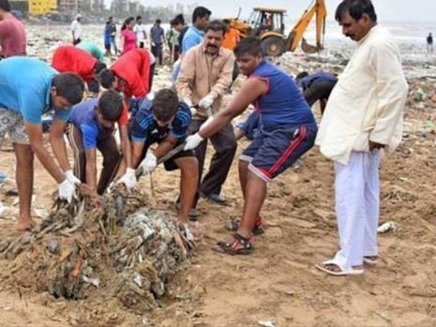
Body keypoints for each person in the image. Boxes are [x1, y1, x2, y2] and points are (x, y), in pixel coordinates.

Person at [183, 36, 317, 254]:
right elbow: (254, 114)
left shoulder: (259, 79)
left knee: (257, 172)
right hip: (273, 129)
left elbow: (228, 112)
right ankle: (253, 220)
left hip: (295, 131)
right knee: (245, 162)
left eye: (246, 61)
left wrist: (199, 136)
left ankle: (244, 237)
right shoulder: (259, 75)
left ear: (259, 57)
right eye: (239, 61)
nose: (241, 65)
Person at [315, 0, 408, 276]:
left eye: (348, 25)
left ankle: (350, 259)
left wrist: (381, 132)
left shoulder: (378, 43)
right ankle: (364, 250)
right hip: (359, 132)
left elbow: (396, 89)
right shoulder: (371, 41)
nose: (345, 32)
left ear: (365, 19)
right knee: (364, 192)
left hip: (360, 134)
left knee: (350, 194)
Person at [0, 57, 85, 244]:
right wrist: (61, 182)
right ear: (54, 91)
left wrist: (68, 173)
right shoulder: (34, 92)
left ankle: (24, 217)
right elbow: (38, 143)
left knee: (26, 157)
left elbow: (56, 136)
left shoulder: (66, 97)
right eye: (63, 104)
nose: (65, 108)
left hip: (21, 102)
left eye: (68, 106)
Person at [176, 20, 236, 218]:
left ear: (222, 39)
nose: (212, 42)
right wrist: (187, 100)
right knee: (196, 155)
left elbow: (225, 80)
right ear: (204, 36)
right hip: (194, 113)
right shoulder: (192, 53)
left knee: (229, 146)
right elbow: (183, 81)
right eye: (209, 37)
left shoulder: (228, 56)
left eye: (217, 39)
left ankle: (209, 188)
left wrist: (212, 95)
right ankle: (187, 200)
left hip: (215, 113)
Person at [129, 89, 198, 222]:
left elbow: (171, 141)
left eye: (165, 120)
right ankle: (115, 194)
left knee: (191, 165)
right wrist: (129, 172)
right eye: (158, 119)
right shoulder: (144, 114)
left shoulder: (183, 115)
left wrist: (154, 156)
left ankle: (183, 218)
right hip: (144, 130)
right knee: (128, 163)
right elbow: (136, 153)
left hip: (168, 134)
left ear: (175, 112)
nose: (161, 123)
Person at [67, 90, 135, 196]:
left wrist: (130, 170)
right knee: (82, 155)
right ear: (97, 111)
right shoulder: (88, 122)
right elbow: (91, 163)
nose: (109, 125)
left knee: (114, 155)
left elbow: (125, 140)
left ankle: (102, 192)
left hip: (100, 129)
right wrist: (91, 192)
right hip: (76, 125)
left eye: (112, 122)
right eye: (105, 120)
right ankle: (77, 194)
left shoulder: (120, 108)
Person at [222, 19, 242, 83]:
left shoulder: (235, 32)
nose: (226, 27)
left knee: (235, 72)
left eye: (227, 25)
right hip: (223, 55)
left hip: (233, 55)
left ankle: (230, 84)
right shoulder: (221, 33)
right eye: (224, 25)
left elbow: (238, 43)